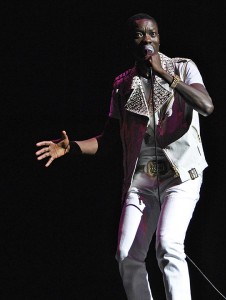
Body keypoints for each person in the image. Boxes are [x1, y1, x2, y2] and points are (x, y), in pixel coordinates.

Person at [35, 13, 214, 300]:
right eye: (139, 35)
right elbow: (110, 140)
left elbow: (206, 106)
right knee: (125, 254)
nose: (147, 40)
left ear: (159, 38)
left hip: (181, 177)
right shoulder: (122, 86)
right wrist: (73, 147)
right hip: (142, 181)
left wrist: (166, 76)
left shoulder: (183, 67)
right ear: (129, 44)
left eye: (152, 34)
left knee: (168, 245)